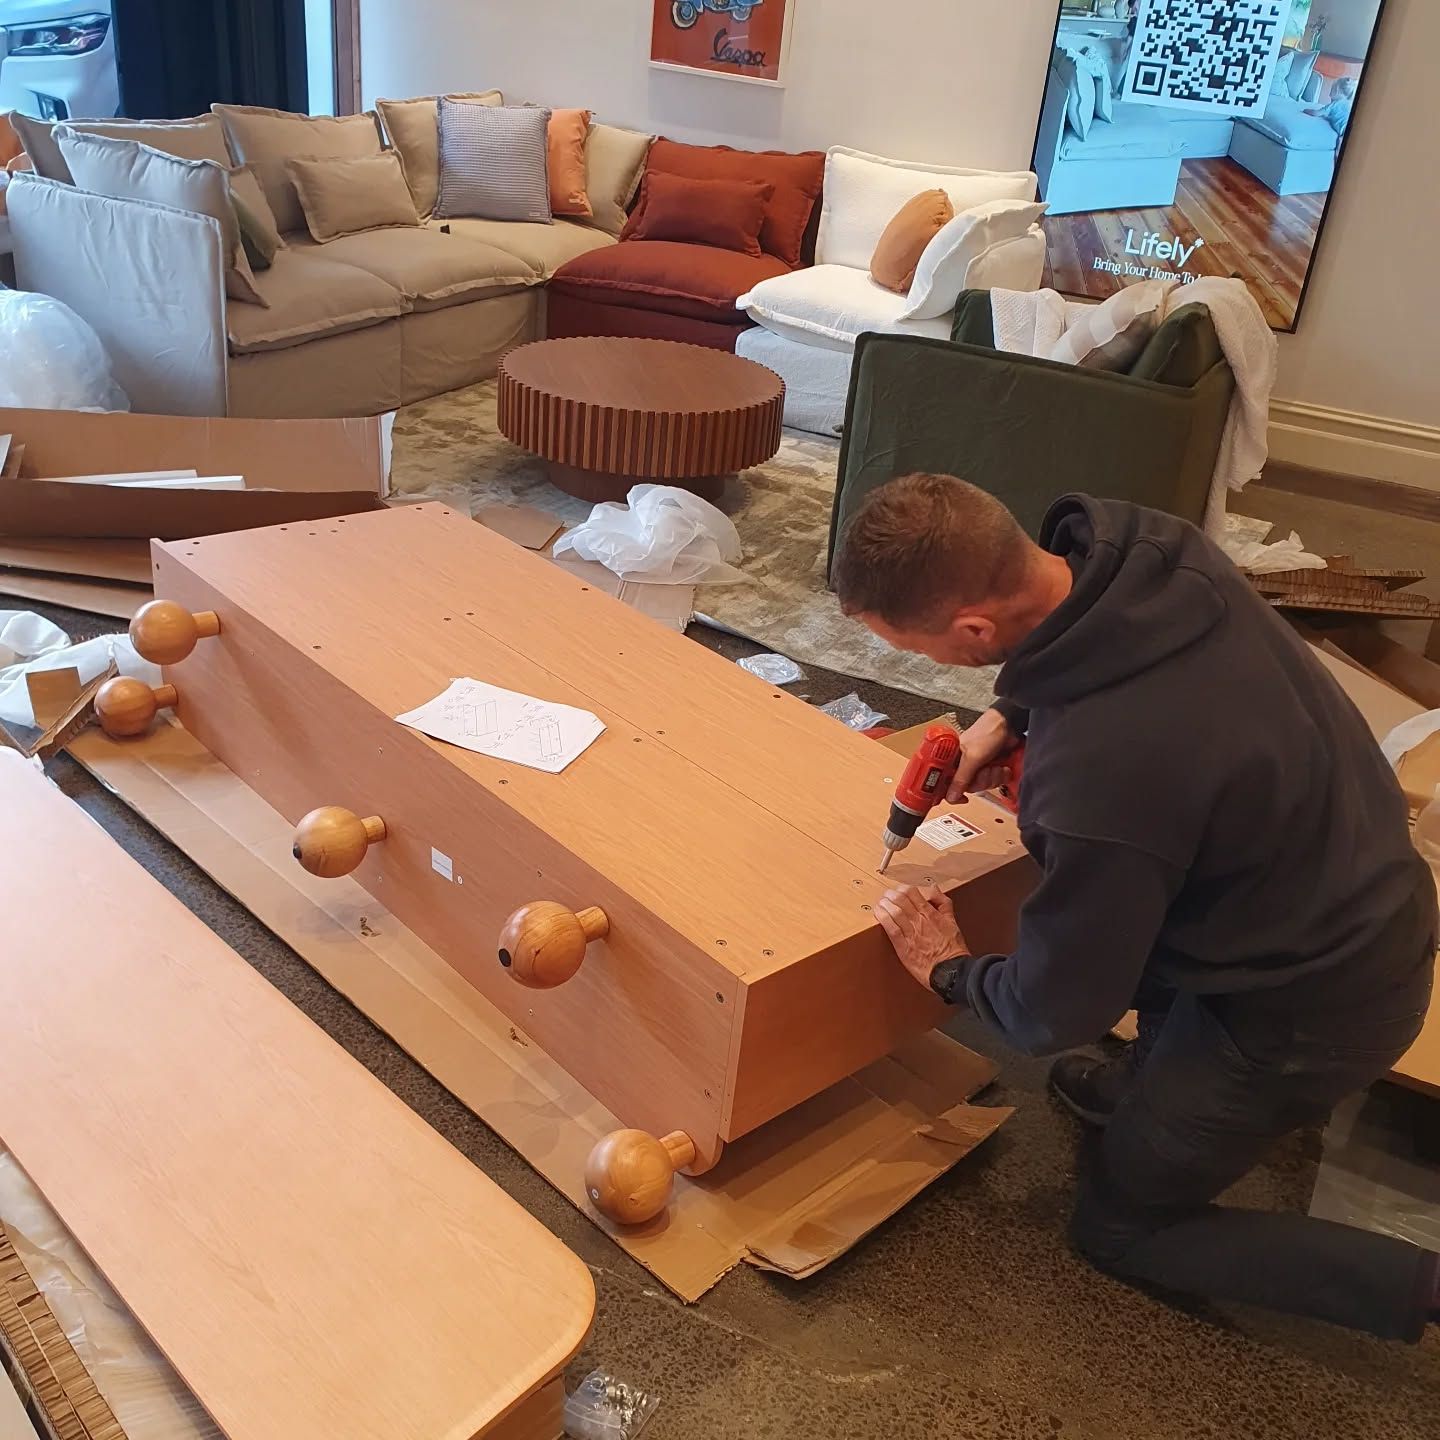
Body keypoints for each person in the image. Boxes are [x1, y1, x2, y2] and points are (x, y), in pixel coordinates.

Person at [832, 473, 1439, 1342]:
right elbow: (1082, 658)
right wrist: (1011, 713)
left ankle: (1422, 1287)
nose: (922, 662)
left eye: (915, 647)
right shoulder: (1147, 551)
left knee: (1119, 1227)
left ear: (973, 630)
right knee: (1137, 934)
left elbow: (1055, 1011)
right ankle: (1149, 1092)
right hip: (1338, 880)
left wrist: (949, 968)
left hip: (1309, 1005)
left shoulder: (1098, 775)